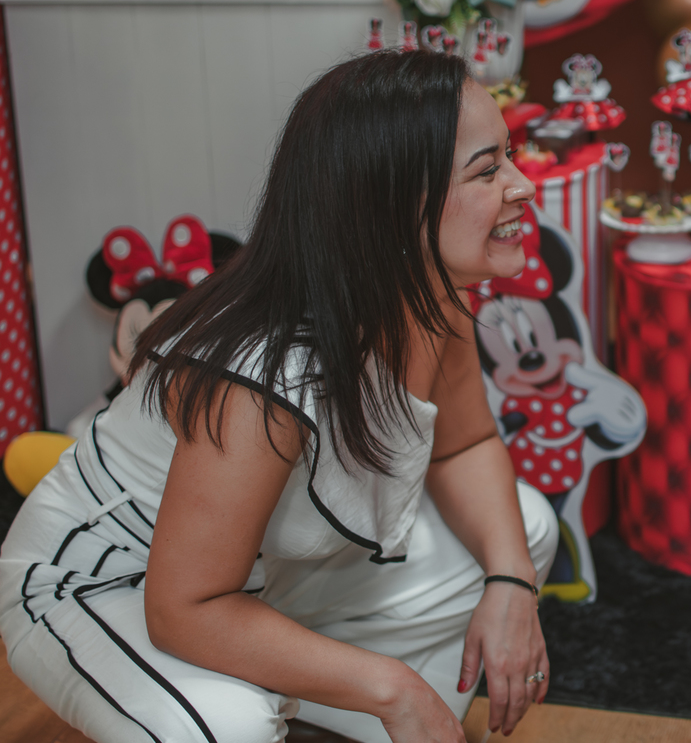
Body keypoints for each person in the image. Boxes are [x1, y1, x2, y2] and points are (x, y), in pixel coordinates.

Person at [0, 49, 559, 743]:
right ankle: (358, 704)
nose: (523, 185)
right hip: (115, 584)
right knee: (226, 728)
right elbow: (184, 607)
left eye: (509, 155)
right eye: (488, 169)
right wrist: (393, 688)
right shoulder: (263, 372)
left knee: (525, 530)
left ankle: (349, 711)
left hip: (268, 573)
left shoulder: (432, 295)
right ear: (390, 205)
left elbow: (465, 445)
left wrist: (509, 584)